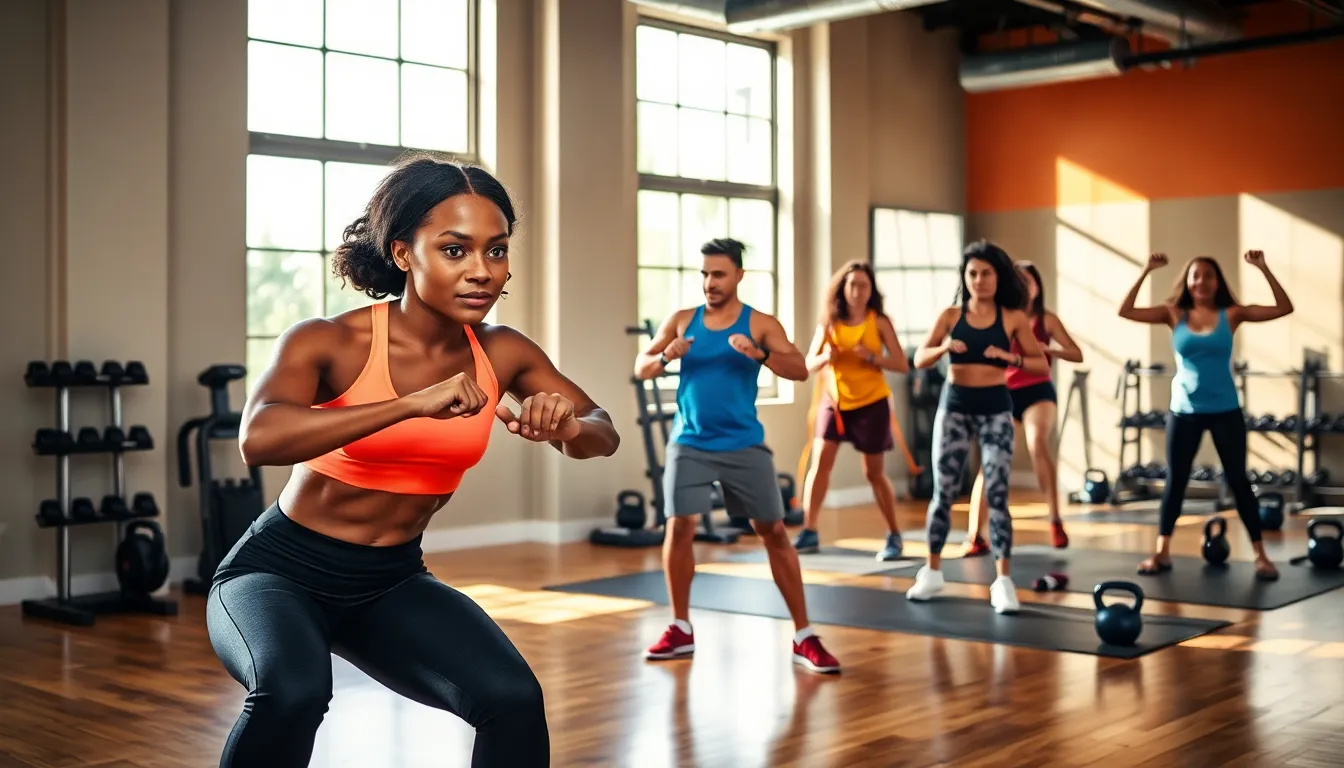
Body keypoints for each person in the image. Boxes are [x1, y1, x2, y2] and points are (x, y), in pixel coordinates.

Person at [212, 155, 619, 768]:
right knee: (292, 692)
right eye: (455, 251)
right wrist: (406, 406)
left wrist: (563, 424)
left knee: (511, 699)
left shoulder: (502, 351)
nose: (482, 272)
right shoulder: (330, 340)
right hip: (276, 574)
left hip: (389, 580)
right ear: (404, 253)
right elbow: (260, 439)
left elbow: (602, 431)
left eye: (497, 251)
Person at [633, 237, 841, 674]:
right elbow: (641, 366)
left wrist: (759, 354)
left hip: (743, 444)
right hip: (690, 441)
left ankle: (804, 635)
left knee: (774, 531)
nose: (709, 282)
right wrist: (668, 354)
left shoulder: (760, 324)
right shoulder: (682, 320)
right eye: (705, 274)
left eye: (719, 274)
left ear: (738, 276)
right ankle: (680, 627)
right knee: (680, 526)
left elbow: (800, 369)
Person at [1117, 251, 1292, 581]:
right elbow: (1125, 311)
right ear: (1187, 280)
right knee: (1176, 483)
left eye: (1208, 276)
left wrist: (1264, 267)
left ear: (1217, 282)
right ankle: (1161, 551)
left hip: (1225, 409)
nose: (1201, 281)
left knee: (1239, 481)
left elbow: (1284, 307)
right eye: (1195, 275)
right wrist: (1146, 270)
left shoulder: (1232, 314)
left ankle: (1260, 555)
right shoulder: (1174, 313)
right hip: (1184, 412)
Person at [904, 240, 1049, 614]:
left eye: (986, 273)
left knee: (998, 495)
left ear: (998, 277)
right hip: (955, 409)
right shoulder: (951, 316)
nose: (979, 280)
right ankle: (932, 571)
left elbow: (1040, 365)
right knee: (944, 492)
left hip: (996, 409)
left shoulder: (1013, 317)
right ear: (964, 277)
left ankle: (1002, 581)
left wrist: (1009, 356)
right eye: (973, 273)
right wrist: (943, 349)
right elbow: (920, 357)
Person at [962, 260, 1082, 555]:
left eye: (1029, 281)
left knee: (1037, 443)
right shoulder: (1002, 317)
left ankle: (1055, 519)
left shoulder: (1046, 319)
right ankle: (975, 536)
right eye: (1019, 281)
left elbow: (1076, 353)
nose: (1025, 286)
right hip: (1004, 393)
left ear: (1037, 286)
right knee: (989, 462)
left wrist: (1049, 349)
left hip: (1038, 390)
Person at [792, 260, 910, 561]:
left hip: (872, 403)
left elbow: (901, 363)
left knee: (873, 472)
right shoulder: (829, 323)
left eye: (864, 285)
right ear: (842, 289)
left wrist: (872, 358)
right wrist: (825, 358)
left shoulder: (879, 322)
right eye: (852, 284)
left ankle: (894, 535)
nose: (858, 291)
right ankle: (809, 530)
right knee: (821, 464)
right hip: (836, 403)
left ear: (871, 291)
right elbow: (807, 364)